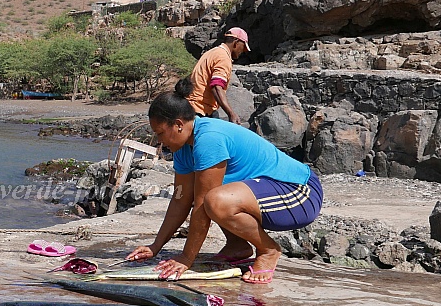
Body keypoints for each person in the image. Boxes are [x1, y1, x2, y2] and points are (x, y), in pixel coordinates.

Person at [126, 79, 322, 284]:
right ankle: (237, 245)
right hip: (269, 192)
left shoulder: (209, 138)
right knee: (213, 196)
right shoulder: (183, 148)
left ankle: (268, 250)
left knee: (215, 200)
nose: (159, 141)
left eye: (160, 133)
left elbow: (202, 205)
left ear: (178, 125)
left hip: (300, 193)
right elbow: (180, 200)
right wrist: (155, 246)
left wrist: (186, 258)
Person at [187, 27, 250, 124]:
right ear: (236, 42)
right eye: (243, 46)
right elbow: (216, 87)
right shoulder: (223, 57)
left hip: (194, 107)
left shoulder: (213, 52)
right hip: (201, 111)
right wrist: (231, 114)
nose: (243, 51)